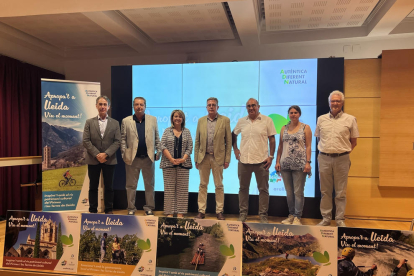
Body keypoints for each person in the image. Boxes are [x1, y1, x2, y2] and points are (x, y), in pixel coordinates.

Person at [315, 90, 359, 227]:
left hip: (342, 159)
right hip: (324, 158)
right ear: (329, 103)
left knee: (340, 192)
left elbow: (354, 142)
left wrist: (342, 153)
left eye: (338, 101)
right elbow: (319, 137)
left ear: (342, 103)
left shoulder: (350, 119)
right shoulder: (321, 119)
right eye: (333, 101)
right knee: (325, 191)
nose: (335, 103)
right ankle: (326, 218)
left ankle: (340, 219)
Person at [232, 98, 276, 223]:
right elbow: (233, 134)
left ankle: (263, 215)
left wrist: (271, 156)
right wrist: (235, 149)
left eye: (253, 105)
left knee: (263, 190)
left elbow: (272, 139)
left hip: (262, 161)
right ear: (246, 108)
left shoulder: (267, 120)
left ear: (258, 106)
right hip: (244, 161)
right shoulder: (241, 121)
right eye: (248, 106)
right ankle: (243, 214)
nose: (251, 108)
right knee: (243, 189)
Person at [121, 97, 161, 216]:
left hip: (148, 158)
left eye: (141, 105)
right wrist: (124, 153)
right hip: (132, 159)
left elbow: (156, 137)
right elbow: (123, 139)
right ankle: (131, 209)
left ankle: (149, 208)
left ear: (145, 106)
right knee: (131, 186)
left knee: (149, 185)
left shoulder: (152, 120)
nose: (139, 107)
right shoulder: (126, 121)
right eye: (137, 104)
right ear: (133, 106)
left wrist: (158, 152)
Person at [194, 97, 231, 220]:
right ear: (206, 107)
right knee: (202, 185)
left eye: (213, 105)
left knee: (219, 185)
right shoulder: (201, 121)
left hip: (218, 158)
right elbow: (197, 141)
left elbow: (228, 142)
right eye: (209, 105)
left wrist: (227, 159)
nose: (211, 107)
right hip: (203, 157)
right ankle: (201, 211)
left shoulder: (225, 120)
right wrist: (196, 158)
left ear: (217, 107)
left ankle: (219, 211)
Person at [83, 96, 121, 214]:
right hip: (93, 160)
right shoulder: (89, 122)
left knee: (109, 187)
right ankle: (93, 210)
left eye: (105, 104)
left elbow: (117, 141)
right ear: (96, 106)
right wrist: (97, 154)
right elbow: (86, 141)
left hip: (109, 160)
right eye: (100, 104)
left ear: (108, 107)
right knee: (93, 187)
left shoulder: (115, 123)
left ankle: (108, 210)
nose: (102, 107)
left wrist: (106, 154)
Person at [275, 105, 312, 225]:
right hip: (285, 164)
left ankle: (297, 217)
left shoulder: (306, 127)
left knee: (298, 192)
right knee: (289, 192)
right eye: (291, 113)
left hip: (300, 165)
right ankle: (291, 215)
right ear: (288, 115)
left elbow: (309, 146)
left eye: (296, 112)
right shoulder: (283, 128)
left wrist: (308, 162)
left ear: (299, 114)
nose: (293, 114)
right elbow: (280, 146)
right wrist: (277, 161)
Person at [160, 110, 193, 218]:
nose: (177, 118)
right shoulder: (167, 131)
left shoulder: (187, 132)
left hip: (184, 164)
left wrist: (183, 159)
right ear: (172, 118)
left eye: (179, 116)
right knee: (169, 189)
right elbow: (162, 145)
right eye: (175, 116)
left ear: (182, 119)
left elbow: (190, 146)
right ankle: (169, 212)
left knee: (182, 189)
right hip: (168, 164)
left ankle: (180, 212)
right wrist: (171, 159)